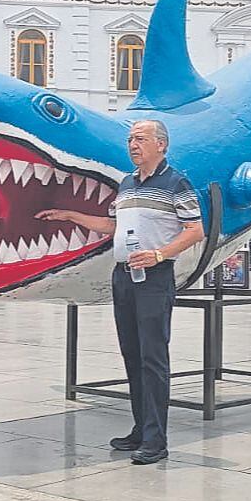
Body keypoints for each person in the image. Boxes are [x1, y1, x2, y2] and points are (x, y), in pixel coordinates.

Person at [37, 119, 204, 465]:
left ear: (161, 145)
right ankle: (141, 429)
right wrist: (72, 215)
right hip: (124, 275)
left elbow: (195, 229)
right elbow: (114, 226)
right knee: (132, 354)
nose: (132, 145)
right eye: (130, 139)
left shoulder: (177, 183)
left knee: (153, 359)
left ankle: (157, 440)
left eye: (140, 139)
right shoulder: (126, 185)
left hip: (155, 277)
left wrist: (160, 254)